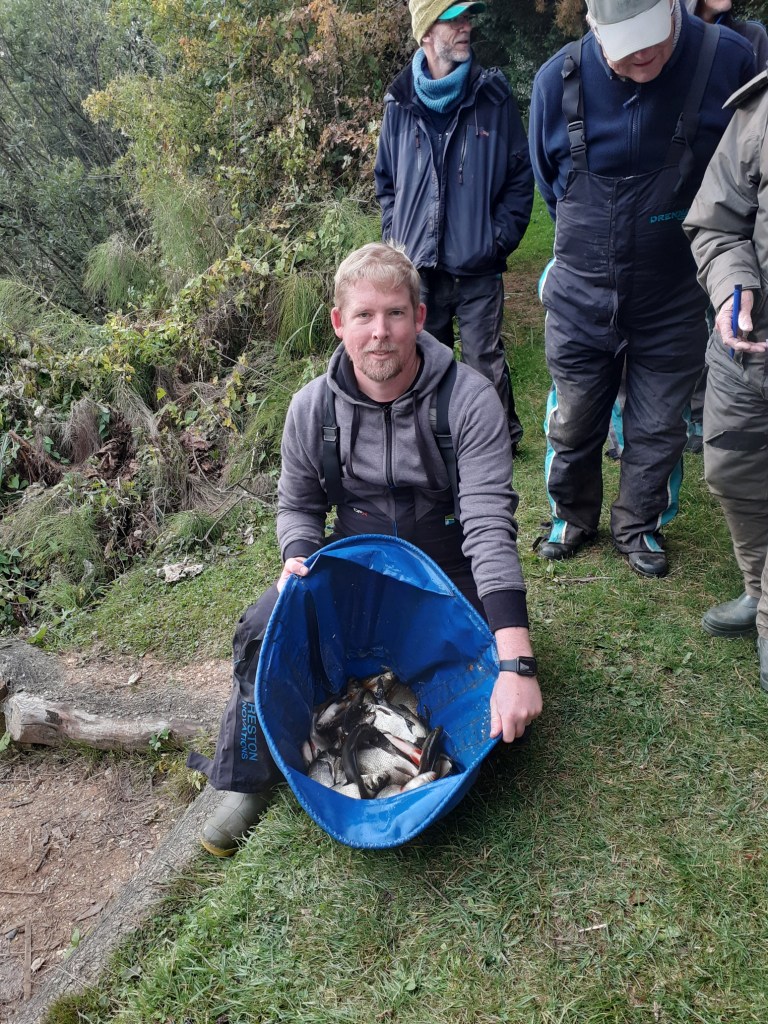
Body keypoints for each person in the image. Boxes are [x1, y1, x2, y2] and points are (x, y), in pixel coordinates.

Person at [188, 243, 543, 856]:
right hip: (354, 562)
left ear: (420, 317)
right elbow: (298, 506)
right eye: (364, 316)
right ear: (339, 323)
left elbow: (489, 525)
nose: (381, 332)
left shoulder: (469, 399)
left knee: (505, 715)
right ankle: (249, 776)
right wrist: (298, 554)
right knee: (259, 630)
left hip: (444, 564)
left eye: (396, 314)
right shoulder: (311, 409)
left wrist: (517, 663)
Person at [528, 0, 755, 578]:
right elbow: (552, 188)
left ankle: (640, 525)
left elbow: (743, 177)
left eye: (652, 35)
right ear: (592, 25)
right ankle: (571, 516)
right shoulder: (556, 82)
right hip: (580, 291)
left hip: (673, 292)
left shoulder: (729, 60)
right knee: (573, 418)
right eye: (624, 46)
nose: (642, 54)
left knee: (659, 424)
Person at [374, 0, 533, 452]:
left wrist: (496, 239)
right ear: (426, 33)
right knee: (428, 362)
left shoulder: (492, 97)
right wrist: (398, 240)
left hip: (478, 262)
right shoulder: (399, 103)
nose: (466, 27)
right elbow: (387, 182)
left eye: (467, 18)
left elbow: (520, 176)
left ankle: (496, 444)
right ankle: (439, 444)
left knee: (484, 362)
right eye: (454, 20)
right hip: (419, 267)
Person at [683, 69, 768, 688]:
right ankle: (757, 585)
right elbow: (717, 222)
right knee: (731, 470)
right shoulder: (760, 112)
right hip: (747, 352)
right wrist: (734, 284)